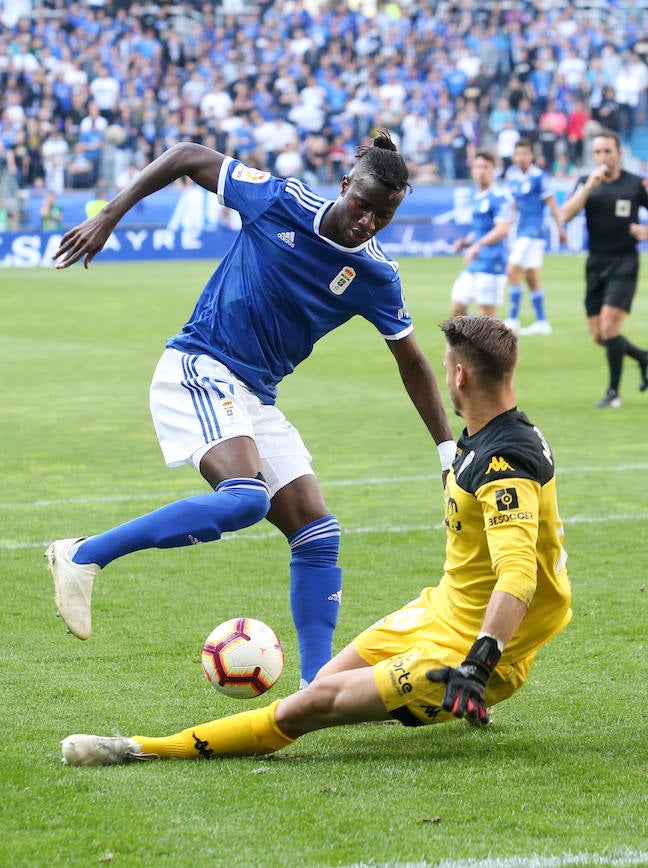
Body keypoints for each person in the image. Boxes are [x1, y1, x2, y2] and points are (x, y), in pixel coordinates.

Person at [59, 315, 573, 768]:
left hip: (472, 652)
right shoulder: (489, 431)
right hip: (441, 610)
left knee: (308, 708)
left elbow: (519, 574)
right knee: (324, 680)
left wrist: (479, 664)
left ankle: (139, 748)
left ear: (460, 375)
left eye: (446, 369)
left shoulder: (504, 464)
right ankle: (410, 697)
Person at [46, 131, 454, 689]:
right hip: (199, 365)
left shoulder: (376, 276)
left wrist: (447, 449)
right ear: (344, 186)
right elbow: (186, 154)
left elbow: (413, 363)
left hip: (254, 394)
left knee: (317, 533)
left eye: (384, 215)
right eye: (364, 205)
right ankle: (83, 555)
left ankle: (316, 690)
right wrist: (110, 215)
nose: (368, 222)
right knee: (244, 500)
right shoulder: (281, 200)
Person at [561, 129, 648, 408]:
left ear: (619, 153)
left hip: (624, 261)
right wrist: (588, 187)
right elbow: (565, 215)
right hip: (596, 263)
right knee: (600, 335)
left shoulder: (636, 184)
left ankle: (613, 393)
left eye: (607, 151)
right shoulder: (587, 181)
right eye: (597, 152)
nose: (602, 156)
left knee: (610, 325)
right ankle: (644, 358)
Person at [504, 139, 567, 336]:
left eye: (525, 153)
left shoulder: (539, 177)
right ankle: (542, 322)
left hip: (533, 232)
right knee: (532, 278)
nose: (521, 157)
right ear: (514, 157)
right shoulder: (512, 177)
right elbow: (513, 205)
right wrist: (509, 223)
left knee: (512, 268)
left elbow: (552, 203)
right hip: (520, 231)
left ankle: (513, 319)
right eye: (518, 154)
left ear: (532, 156)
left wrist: (560, 228)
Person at [451, 149, 513, 317]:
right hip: (476, 262)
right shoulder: (478, 197)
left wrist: (478, 245)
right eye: (478, 167)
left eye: (486, 167)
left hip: (492, 263)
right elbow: (480, 231)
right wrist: (465, 243)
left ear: (494, 169)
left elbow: (502, 229)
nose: (481, 171)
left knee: (488, 317)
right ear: (473, 170)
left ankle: (503, 342)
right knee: (457, 308)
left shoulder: (499, 197)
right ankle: (476, 340)